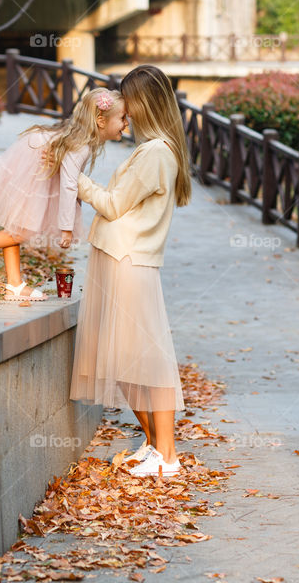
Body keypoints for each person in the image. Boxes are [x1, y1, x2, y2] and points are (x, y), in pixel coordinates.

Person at [69, 65, 191, 477]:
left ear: (147, 102)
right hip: (120, 260)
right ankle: (156, 445)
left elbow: (113, 204)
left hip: (130, 262)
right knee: (123, 361)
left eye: (131, 102)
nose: (128, 112)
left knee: (148, 360)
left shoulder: (156, 152)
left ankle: (168, 456)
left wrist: (75, 179)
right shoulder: (154, 150)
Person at [0, 88, 127, 301]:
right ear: (101, 121)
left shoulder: (82, 141)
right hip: (35, 165)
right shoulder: (81, 146)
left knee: (17, 226)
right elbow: (68, 184)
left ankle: (14, 284)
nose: (126, 123)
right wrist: (66, 227)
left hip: (33, 159)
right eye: (122, 118)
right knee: (24, 230)